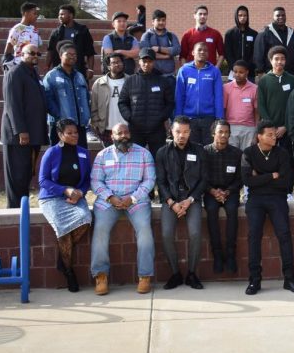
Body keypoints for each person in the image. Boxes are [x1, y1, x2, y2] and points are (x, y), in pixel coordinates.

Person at [90, 123, 156, 295]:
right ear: (112, 136)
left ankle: (145, 276)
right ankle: (101, 275)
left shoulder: (143, 153)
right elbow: (96, 181)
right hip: (108, 201)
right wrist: (111, 197)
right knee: (100, 229)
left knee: (144, 230)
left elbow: (149, 181)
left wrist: (132, 198)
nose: (124, 136)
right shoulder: (102, 155)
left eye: (127, 132)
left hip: (136, 200)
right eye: (120, 133)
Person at [242, 120, 294, 295]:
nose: (273, 137)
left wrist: (260, 177)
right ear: (259, 137)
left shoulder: (282, 154)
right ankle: (254, 280)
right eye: (269, 134)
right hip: (255, 200)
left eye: (274, 133)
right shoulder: (248, 153)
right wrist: (272, 176)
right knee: (254, 236)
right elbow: (247, 181)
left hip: (277, 199)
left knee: (284, 234)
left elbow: (285, 182)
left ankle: (290, 278)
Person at [38, 119, 92, 292]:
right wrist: (65, 190)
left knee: (85, 218)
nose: (74, 135)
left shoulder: (83, 152)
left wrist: (80, 193)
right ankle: (69, 271)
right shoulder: (51, 153)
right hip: (52, 198)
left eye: (76, 132)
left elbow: (87, 180)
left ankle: (63, 259)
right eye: (69, 133)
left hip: (75, 198)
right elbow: (43, 180)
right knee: (63, 229)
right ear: (60, 135)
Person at [156, 116, 206, 290]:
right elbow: (160, 182)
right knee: (166, 234)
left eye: (185, 132)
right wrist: (171, 202)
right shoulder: (162, 152)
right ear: (171, 131)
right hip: (171, 199)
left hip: (192, 199)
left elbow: (203, 179)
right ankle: (175, 273)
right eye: (178, 131)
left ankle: (192, 274)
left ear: (190, 132)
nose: (181, 135)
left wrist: (190, 200)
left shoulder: (199, 151)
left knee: (195, 233)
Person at [1, 44, 48, 209]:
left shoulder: (33, 73)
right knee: (17, 176)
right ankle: (14, 210)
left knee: (26, 174)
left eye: (37, 53)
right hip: (19, 136)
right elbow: (12, 106)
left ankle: (23, 209)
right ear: (20, 53)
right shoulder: (14, 72)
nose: (35, 55)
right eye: (31, 53)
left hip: (33, 134)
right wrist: (21, 130)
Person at [119, 48, 176, 157]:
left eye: (149, 61)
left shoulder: (163, 81)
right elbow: (122, 102)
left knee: (159, 159)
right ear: (139, 61)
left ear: (154, 62)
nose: (146, 64)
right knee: (135, 159)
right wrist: (130, 117)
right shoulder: (130, 81)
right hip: (136, 129)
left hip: (157, 129)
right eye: (144, 61)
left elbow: (170, 103)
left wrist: (161, 117)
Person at [203, 119, 243, 274]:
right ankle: (217, 255)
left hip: (230, 192)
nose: (224, 135)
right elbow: (201, 177)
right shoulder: (205, 152)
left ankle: (231, 255)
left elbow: (240, 178)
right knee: (211, 211)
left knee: (232, 211)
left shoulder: (236, 153)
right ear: (213, 133)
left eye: (226, 132)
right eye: (220, 132)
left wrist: (228, 191)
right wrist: (213, 191)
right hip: (210, 192)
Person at [175, 42, 224, 145]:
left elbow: (218, 96)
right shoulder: (184, 70)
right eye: (199, 50)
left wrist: (219, 119)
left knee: (208, 150)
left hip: (209, 119)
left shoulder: (214, 71)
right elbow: (179, 96)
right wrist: (178, 118)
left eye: (205, 50)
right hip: (189, 119)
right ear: (193, 52)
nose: (202, 52)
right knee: (192, 151)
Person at [43, 41, 91, 147]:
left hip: (79, 125)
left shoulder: (80, 76)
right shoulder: (51, 76)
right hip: (60, 126)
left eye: (74, 55)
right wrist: (61, 118)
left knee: (80, 157)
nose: (72, 57)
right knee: (60, 159)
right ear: (60, 56)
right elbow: (48, 100)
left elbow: (87, 98)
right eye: (68, 54)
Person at [257, 46, 294, 159]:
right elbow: (261, 105)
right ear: (271, 60)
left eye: (282, 59)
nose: (279, 62)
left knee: (287, 158)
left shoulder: (293, 81)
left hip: (288, 128)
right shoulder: (264, 80)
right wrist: (271, 127)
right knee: (269, 158)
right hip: (269, 129)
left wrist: (285, 126)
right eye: (276, 59)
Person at [91, 53, 128, 147]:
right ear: (108, 66)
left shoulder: (130, 80)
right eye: (113, 62)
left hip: (127, 128)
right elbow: (94, 106)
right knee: (110, 157)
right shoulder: (99, 83)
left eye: (119, 62)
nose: (117, 64)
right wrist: (96, 124)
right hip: (107, 128)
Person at [48, 4, 94, 77]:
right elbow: (50, 51)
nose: (59, 16)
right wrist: (47, 68)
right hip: (60, 71)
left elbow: (90, 52)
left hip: (78, 70)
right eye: (59, 14)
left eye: (62, 14)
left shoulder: (82, 30)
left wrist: (90, 69)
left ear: (71, 15)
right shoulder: (56, 32)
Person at [254, 6, 294, 76]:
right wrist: (260, 71)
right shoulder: (264, 33)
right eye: (278, 15)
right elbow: (258, 54)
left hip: (290, 74)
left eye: (283, 15)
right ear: (273, 17)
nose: (281, 17)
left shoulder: (293, 34)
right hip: (270, 74)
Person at [222, 60, 258, 150]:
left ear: (247, 72)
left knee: (246, 157)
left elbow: (256, 111)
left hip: (249, 128)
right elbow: (223, 109)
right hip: (231, 127)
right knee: (232, 157)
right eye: (235, 72)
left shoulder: (254, 88)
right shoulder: (226, 88)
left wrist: (256, 130)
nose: (237, 74)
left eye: (241, 72)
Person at [140, 9, 181, 78]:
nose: (161, 22)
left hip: (169, 75)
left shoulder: (171, 36)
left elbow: (177, 50)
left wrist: (158, 49)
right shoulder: (146, 36)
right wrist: (166, 56)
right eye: (158, 20)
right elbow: (147, 54)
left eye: (163, 20)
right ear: (153, 22)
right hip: (152, 76)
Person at [224, 5, 258, 80]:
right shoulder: (230, 34)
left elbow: (255, 53)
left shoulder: (254, 34)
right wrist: (235, 68)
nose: (242, 18)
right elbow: (228, 53)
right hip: (234, 72)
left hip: (249, 72)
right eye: (240, 15)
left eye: (245, 15)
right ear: (236, 16)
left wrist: (247, 67)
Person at [3, 2, 41, 67]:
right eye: (34, 13)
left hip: (33, 66)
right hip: (20, 65)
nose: (36, 16)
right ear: (26, 13)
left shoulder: (34, 29)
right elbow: (8, 49)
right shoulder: (18, 29)